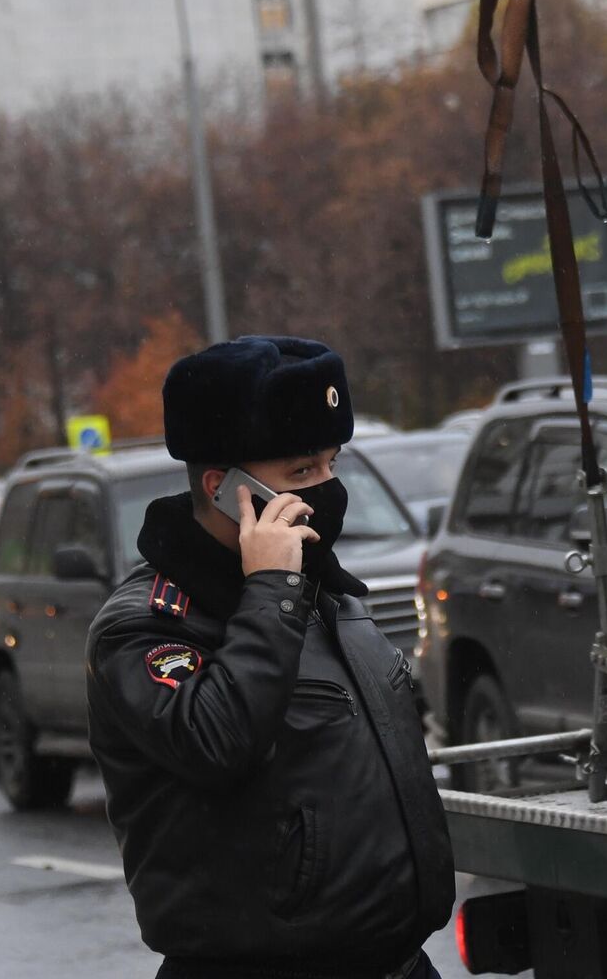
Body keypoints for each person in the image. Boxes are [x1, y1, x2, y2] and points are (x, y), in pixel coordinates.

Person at [87, 335, 454, 979]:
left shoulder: (323, 595)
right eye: (301, 472)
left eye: (333, 463)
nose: (329, 489)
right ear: (224, 489)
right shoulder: (145, 626)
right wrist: (271, 591)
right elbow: (218, 743)